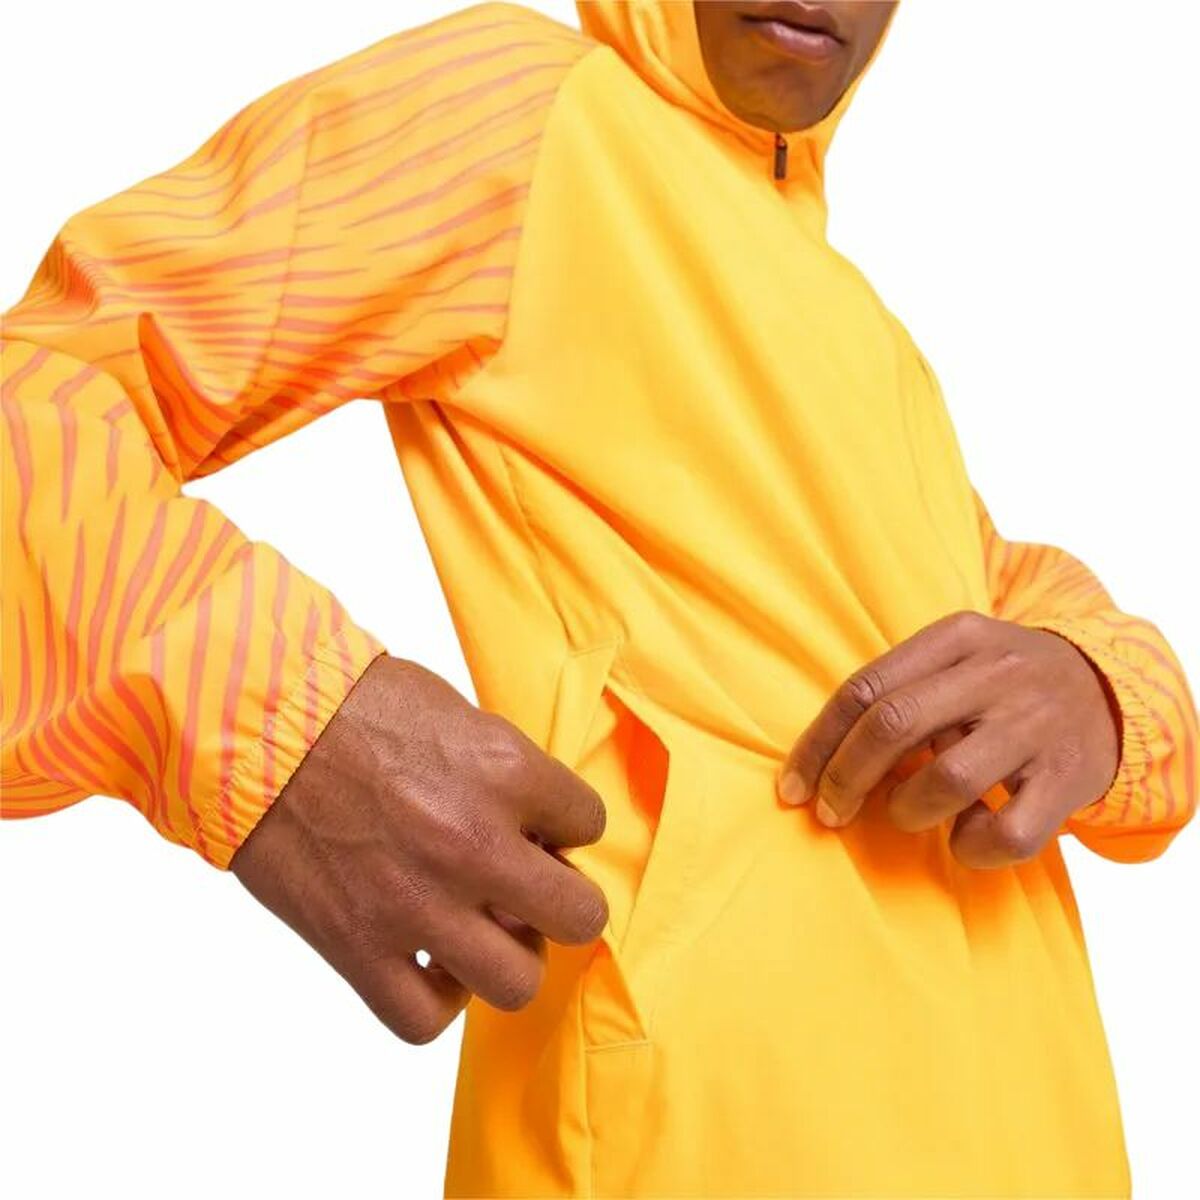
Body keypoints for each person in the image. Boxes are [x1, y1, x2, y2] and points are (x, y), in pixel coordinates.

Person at [2, 1, 1195, 1195]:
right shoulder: (521, 120)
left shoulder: (861, 327)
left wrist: (1095, 692)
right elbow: (33, 393)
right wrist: (284, 723)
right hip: (704, 1145)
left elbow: (1007, 590)